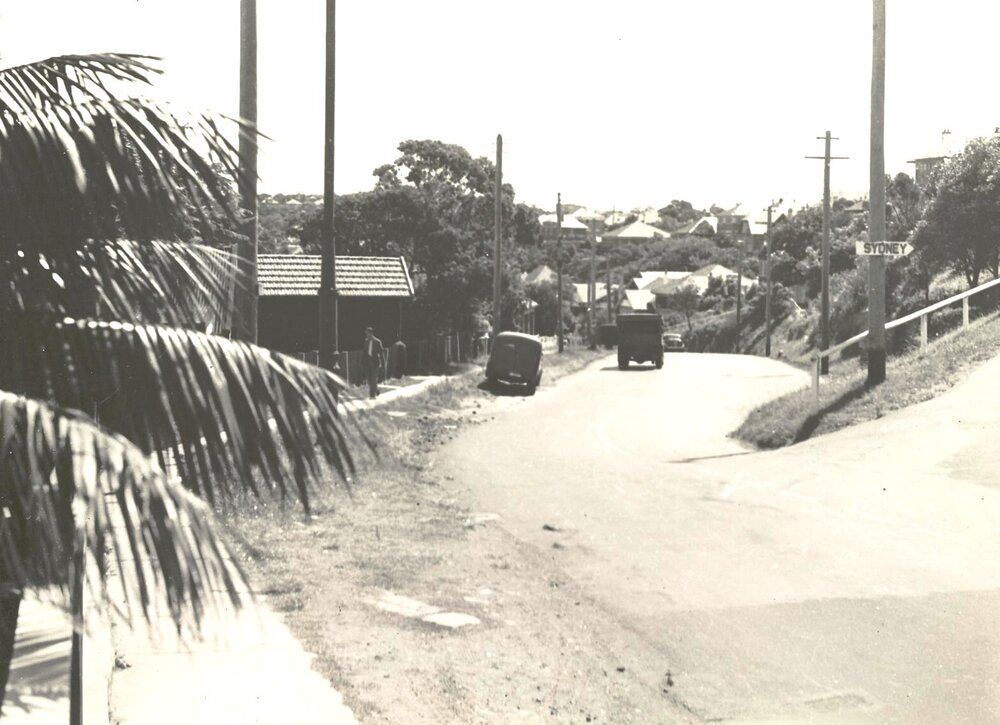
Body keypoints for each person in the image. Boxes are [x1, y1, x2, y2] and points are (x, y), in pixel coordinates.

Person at [361, 326, 385, 399]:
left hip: (375, 362)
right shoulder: (366, 341)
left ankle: (372, 395)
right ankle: (376, 390)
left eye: (368, 333)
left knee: (374, 379)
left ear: (371, 333)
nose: (367, 335)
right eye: (366, 334)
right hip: (368, 361)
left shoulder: (377, 342)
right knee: (369, 379)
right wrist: (362, 361)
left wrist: (383, 364)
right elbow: (364, 352)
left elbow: (381, 353)